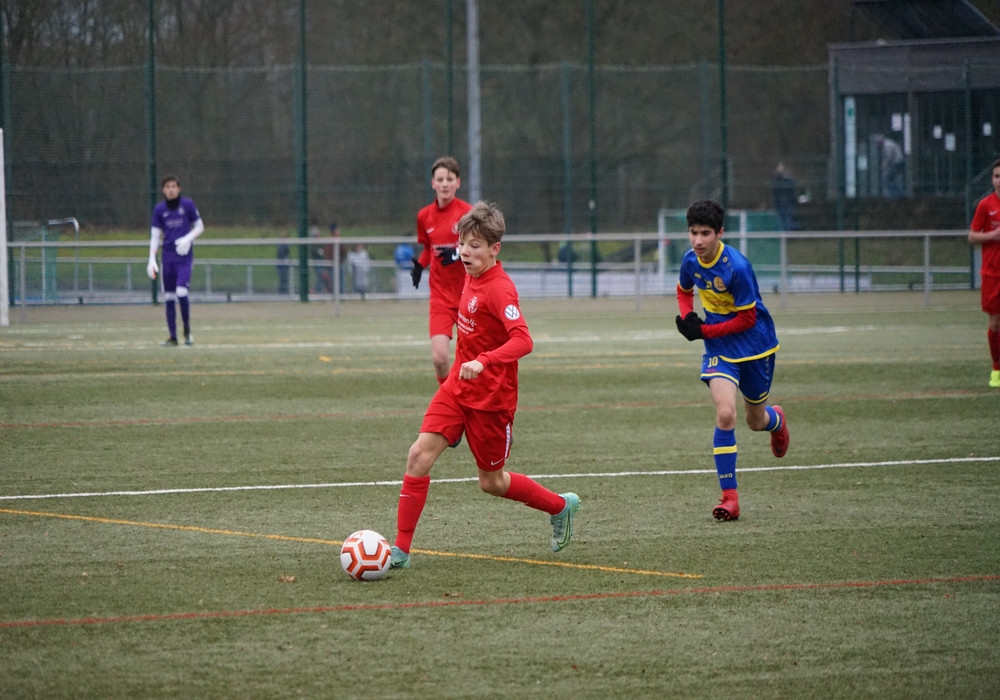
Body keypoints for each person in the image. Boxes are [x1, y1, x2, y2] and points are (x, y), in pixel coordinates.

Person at [389, 201, 580, 570]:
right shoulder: (469, 275)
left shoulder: (500, 290)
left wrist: (485, 360)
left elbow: (524, 340)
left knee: (491, 483)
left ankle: (560, 506)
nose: (464, 251)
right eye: (462, 243)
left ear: (495, 249)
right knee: (418, 455)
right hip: (456, 389)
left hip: (491, 400)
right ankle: (401, 550)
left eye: (474, 245)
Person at [674, 199, 789, 521]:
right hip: (720, 350)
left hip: (756, 347)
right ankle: (730, 498)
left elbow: (747, 320)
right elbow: (683, 290)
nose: (698, 240)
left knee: (755, 421)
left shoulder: (736, 267)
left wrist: (703, 331)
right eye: (693, 232)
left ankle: (776, 420)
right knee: (725, 414)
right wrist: (688, 317)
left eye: (705, 233)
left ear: (720, 233)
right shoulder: (690, 260)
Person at [411, 156, 473, 384]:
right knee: (439, 359)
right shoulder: (424, 216)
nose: (445, 184)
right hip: (440, 297)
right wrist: (420, 265)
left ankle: (473, 398)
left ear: (458, 182)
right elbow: (429, 249)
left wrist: (457, 253)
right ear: (433, 183)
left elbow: (477, 248)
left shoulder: (468, 214)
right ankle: (449, 397)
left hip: (468, 296)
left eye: (449, 179)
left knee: (472, 359)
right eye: (440, 179)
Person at [147, 173, 204, 346]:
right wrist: (151, 258)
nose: (171, 190)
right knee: (169, 296)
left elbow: (200, 226)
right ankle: (173, 337)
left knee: (181, 292)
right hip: (168, 257)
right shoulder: (159, 210)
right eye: (167, 187)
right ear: (163, 190)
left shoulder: (187, 205)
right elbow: (155, 236)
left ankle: (187, 329)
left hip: (184, 257)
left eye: (173, 186)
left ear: (178, 188)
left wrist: (187, 239)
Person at [968, 156, 1000, 388]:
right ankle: (997, 369)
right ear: (992, 179)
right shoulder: (985, 205)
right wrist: (991, 236)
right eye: (997, 176)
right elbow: (972, 236)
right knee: (996, 323)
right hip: (992, 274)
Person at [771, 161, 798, 231]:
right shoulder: (777, 180)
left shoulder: (788, 180)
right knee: (782, 220)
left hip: (787, 204)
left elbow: (791, 192)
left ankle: (787, 232)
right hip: (781, 204)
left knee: (786, 220)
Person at [877, 134, 904, 198]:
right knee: (890, 179)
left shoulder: (887, 145)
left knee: (886, 177)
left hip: (897, 163)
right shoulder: (889, 143)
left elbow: (888, 157)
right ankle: (898, 194)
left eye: (878, 142)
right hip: (897, 162)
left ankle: (895, 195)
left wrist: (883, 165)